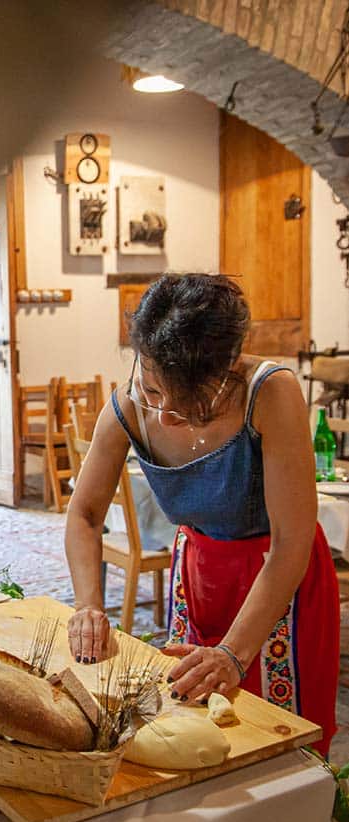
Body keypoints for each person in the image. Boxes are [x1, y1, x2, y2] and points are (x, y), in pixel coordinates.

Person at [65, 273, 339, 755]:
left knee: (277, 742)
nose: (164, 415)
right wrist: (89, 605)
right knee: (194, 729)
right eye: (152, 389)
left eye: (190, 402)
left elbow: (291, 542)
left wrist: (234, 652)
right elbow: (84, 514)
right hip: (198, 577)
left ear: (227, 370)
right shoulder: (128, 407)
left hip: (280, 583)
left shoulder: (269, 393)